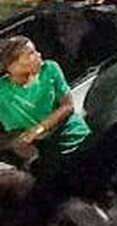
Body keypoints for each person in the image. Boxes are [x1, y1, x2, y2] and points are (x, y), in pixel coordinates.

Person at [0, 36, 91, 164]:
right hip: (47, 152)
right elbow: (12, 132)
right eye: (31, 54)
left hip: (76, 137)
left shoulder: (49, 69)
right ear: (12, 65)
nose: (39, 54)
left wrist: (39, 129)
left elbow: (67, 106)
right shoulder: (3, 91)